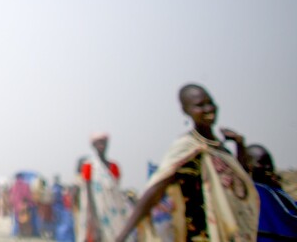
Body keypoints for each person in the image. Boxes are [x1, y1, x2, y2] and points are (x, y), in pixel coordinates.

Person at [114, 84, 259, 242]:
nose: (208, 109)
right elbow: (156, 189)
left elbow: (242, 186)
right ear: (186, 111)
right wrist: (122, 236)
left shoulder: (220, 149)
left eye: (210, 103)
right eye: (199, 105)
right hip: (202, 235)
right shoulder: (188, 147)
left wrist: (240, 145)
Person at [77, 132, 131, 242]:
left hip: (116, 215)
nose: (101, 145)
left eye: (103, 142)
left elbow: (117, 194)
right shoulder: (89, 166)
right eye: (98, 143)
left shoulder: (114, 166)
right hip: (97, 215)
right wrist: (93, 222)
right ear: (93, 146)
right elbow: (88, 196)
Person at [245, 144, 297, 242]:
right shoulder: (256, 190)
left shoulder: (273, 190)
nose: (268, 167)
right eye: (262, 163)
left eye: (269, 163)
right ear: (249, 166)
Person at [12, 173, 36, 237]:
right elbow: (28, 195)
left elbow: (12, 197)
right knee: (26, 220)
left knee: (17, 220)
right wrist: (32, 203)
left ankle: (16, 233)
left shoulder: (14, 186)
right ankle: (26, 233)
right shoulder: (26, 185)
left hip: (17, 206)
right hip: (25, 205)